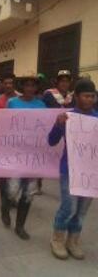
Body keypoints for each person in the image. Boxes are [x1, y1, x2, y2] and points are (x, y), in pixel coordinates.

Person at [49, 78, 97, 260]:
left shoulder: (97, 119)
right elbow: (51, 141)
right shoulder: (67, 117)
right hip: (69, 170)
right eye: (86, 96)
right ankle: (57, 239)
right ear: (76, 96)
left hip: (92, 172)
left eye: (92, 96)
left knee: (82, 210)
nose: (90, 99)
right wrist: (58, 124)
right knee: (69, 207)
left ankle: (73, 241)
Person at [6, 75, 46, 240]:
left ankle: (20, 226)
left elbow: (45, 128)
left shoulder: (42, 105)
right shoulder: (12, 103)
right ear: (22, 87)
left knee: (29, 192)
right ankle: (5, 208)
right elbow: (5, 125)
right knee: (12, 190)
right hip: (16, 153)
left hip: (34, 155)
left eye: (33, 86)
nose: (30, 88)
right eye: (27, 85)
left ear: (36, 88)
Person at [0, 74, 18, 228]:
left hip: (18, 146)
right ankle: (5, 205)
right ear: (2, 84)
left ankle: (11, 198)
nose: (9, 85)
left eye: (11, 83)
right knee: (3, 178)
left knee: (15, 177)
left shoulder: (20, 100)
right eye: (6, 82)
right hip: (2, 145)